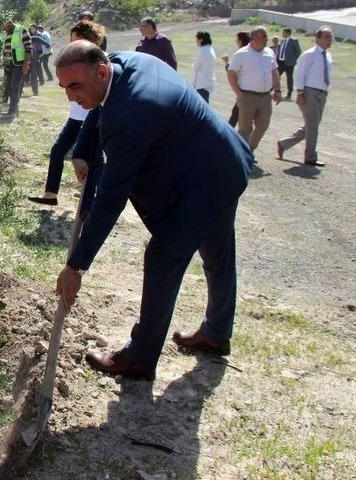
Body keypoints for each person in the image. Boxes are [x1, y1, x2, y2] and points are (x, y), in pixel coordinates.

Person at [54, 41, 253, 381]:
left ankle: (140, 357)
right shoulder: (123, 63)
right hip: (222, 163)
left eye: (75, 86)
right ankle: (217, 332)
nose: (70, 97)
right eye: (64, 88)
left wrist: (76, 265)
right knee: (217, 251)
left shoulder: (130, 114)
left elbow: (111, 197)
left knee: (163, 256)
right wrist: (83, 149)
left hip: (203, 181)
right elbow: (97, 108)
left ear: (101, 72)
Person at [28, 20, 105, 208]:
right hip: (76, 118)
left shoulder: (101, 61)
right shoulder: (74, 61)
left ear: (90, 39)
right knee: (58, 151)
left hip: (93, 119)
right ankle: (50, 194)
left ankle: (95, 198)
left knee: (93, 160)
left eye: (76, 40)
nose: (72, 45)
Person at [277, 27, 333, 167]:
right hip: (310, 92)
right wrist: (300, 93)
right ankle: (310, 157)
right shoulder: (309, 54)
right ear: (318, 38)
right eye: (327, 37)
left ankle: (284, 143)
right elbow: (300, 74)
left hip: (322, 93)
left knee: (311, 125)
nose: (330, 39)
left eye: (331, 37)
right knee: (312, 126)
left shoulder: (328, 56)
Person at [227, 26, 282, 152]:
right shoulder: (241, 54)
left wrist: (277, 90)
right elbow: (231, 74)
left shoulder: (269, 52)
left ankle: (249, 149)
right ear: (254, 39)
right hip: (247, 96)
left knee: (263, 125)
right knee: (245, 128)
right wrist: (239, 94)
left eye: (266, 37)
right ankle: (242, 154)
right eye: (263, 37)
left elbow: (274, 72)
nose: (265, 40)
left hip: (266, 96)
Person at [1, 19, 31, 118]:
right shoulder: (6, 33)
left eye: (5, 26)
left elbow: (28, 48)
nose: (4, 29)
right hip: (8, 63)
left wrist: (26, 64)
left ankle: (12, 111)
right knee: (9, 86)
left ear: (9, 22)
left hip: (18, 64)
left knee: (15, 87)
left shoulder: (21, 30)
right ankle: (14, 109)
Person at [223, 31, 250, 127]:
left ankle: (227, 135)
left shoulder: (241, 53)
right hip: (250, 89)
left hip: (244, 90)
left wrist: (226, 61)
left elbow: (232, 70)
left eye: (237, 39)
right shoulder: (252, 52)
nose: (235, 41)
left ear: (240, 40)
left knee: (236, 115)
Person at [276, 27, 301, 100]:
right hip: (280, 62)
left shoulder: (294, 40)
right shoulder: (282, 41)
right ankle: (273, 90)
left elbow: (298, 51)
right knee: (276, 76)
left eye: (283, 32)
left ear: (287, 33)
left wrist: (292, 59)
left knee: (289, 78)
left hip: (289, 63)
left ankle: (289, 93)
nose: (282, 34)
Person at [192, 31, 216, 103]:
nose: (196, 41)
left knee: (201, 105)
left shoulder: (202, 51)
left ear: (201, 39)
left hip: (201, 83)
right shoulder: (210, 49)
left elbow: (195, 67)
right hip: (207, 81)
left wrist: (193, 65)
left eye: (196, 39)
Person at [27, 24, 43, 92]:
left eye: (32, 28)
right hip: (32, 56)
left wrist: (38, 56)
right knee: (32, 73)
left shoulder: (38, 35)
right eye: (30, 29)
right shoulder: (32, 35)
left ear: (36, 28)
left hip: (35, 56)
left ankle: (35, 90)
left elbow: (39, 47)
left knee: (34, 74)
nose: (31, 30)